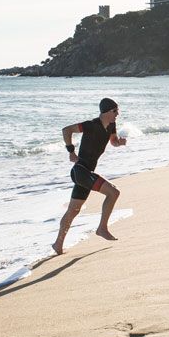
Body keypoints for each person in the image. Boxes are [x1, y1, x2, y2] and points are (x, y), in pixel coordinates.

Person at [52, 97, 127, 255]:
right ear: (106, 111)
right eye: (115, 111)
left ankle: (58, 245)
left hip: (85, 173)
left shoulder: (111, 125)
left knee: (73, 210)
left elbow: (113, 141)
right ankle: (102, 228)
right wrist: (71, 151)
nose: (117, 114)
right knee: (113, 192)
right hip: (81, 171)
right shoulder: (90, 125)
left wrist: (119, 142)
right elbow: (66, 130)